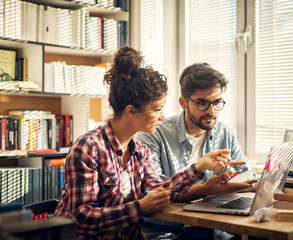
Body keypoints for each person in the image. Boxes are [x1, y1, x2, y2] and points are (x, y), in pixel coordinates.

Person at [53, 47, 242, 240]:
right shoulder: (89, 148)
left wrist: (200, 166)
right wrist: (139, 208)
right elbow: (80, 218)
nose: (163, 116)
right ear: (132, 111)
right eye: (157, 109)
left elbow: (162, 191)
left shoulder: (140, 151)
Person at [136, 62, 259, 239]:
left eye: (216, 102)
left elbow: (248, 175)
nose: (211, 111)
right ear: (183, 102)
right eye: (202, 103)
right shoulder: (154, 133)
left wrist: (233, 180)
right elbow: (156, 193)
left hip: (218, 231)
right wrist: (206, 189)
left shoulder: (224, 132)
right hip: (170, 232)